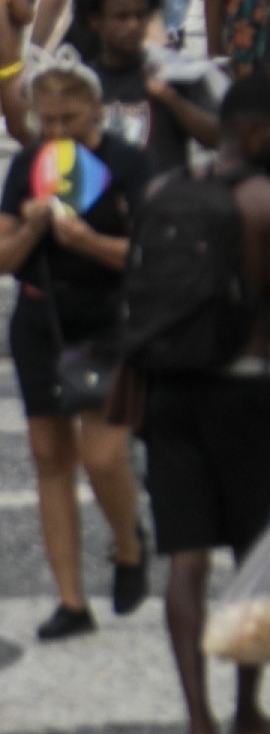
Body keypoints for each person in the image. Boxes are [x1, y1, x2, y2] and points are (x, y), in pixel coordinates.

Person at [123, 71, 270, 734]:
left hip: (166, 391)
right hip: (242, 392)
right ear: (257, 130)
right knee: (254, 558)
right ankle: (249, 710)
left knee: (187, 561)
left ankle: (201, 728)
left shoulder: (160, 193)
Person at [0, 54, 137, 643]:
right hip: (40, 316)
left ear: (96, 109)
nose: (57, 133)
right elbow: (4, 257)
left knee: (104, 455)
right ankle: (71, 600)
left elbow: (149, 255)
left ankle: (129, 546)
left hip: (105, 317)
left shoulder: (125, 163)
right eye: (46, 120)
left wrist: (87, 240)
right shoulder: (28, 164)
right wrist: (31, 227)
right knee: (50, 455)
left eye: (70, 119)